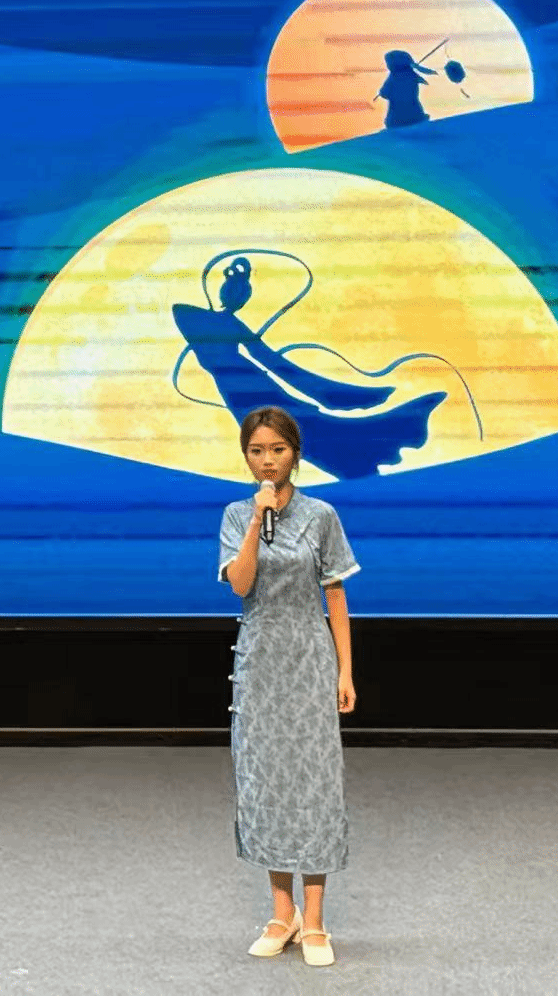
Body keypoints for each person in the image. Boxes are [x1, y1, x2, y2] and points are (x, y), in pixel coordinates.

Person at [218, 406, 358, 967]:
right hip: (259, 663)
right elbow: (240, 584)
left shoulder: (321, 514)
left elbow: (336, 595)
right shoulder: (236, 515)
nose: (268, 461)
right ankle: (283, 913)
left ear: (295, 453)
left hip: (309, 658)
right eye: (257, 451)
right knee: (266, 784)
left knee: (315, 784)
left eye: (277, 449)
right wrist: (258, 520)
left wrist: (345, 671)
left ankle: (316, 919)